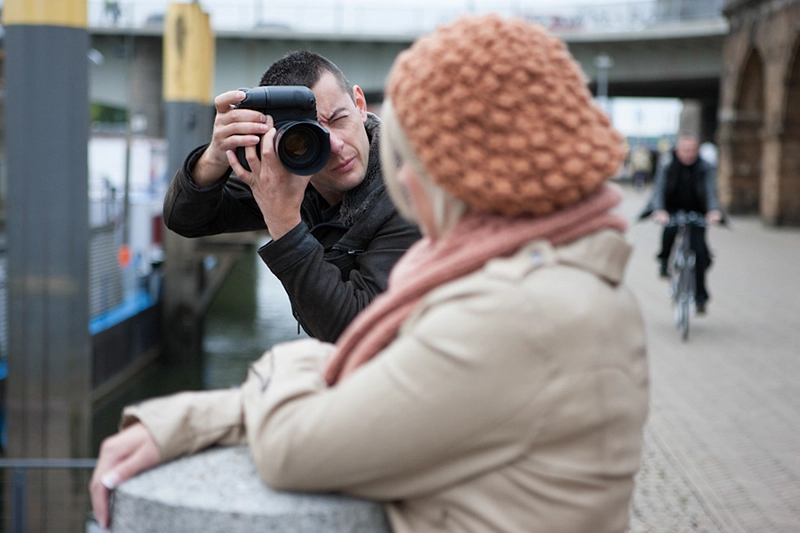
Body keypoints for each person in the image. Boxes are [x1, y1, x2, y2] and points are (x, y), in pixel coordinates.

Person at [91, 15, 649, 532]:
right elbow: (393, 393)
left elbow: (300, 440)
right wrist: (214, 158)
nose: (404, 184)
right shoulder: (554, 277)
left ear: (461, 170)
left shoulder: (513, 315)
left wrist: (296, 355)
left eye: (414, 159)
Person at [163, 51, 421, 342]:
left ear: (359, 104)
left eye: (338, 119)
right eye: (305, 137)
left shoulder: (410, 192)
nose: (334, 145)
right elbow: (184, 219)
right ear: (277, 143)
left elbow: (360, 332)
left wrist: (283, 222)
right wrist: (214, 156)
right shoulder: (295, 174)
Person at [648, 132, 722, 314]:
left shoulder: (704, 167)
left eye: (693, 150)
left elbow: (710, 190)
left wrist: (713, 210)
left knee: (701, 254)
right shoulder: (668, 164)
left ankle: (700, 297)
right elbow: (659, 188)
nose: (689, 154)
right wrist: (659, 210)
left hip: (696, 212)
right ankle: (664, 261)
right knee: (669, 232)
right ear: (678, 150)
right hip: (672, 209)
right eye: (686, 150)